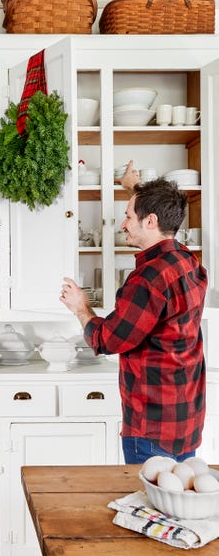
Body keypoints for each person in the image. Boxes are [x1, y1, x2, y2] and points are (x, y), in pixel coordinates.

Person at [60, 160, 208, 464]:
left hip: (152, 428)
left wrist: (81, 307)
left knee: (150, 507)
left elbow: (106, 340)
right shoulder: (188, 262)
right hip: (185, 419)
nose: (123, 224)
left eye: (128, 216)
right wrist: (133, 189)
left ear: (150, 221)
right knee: (175, 504)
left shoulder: (148, 279)